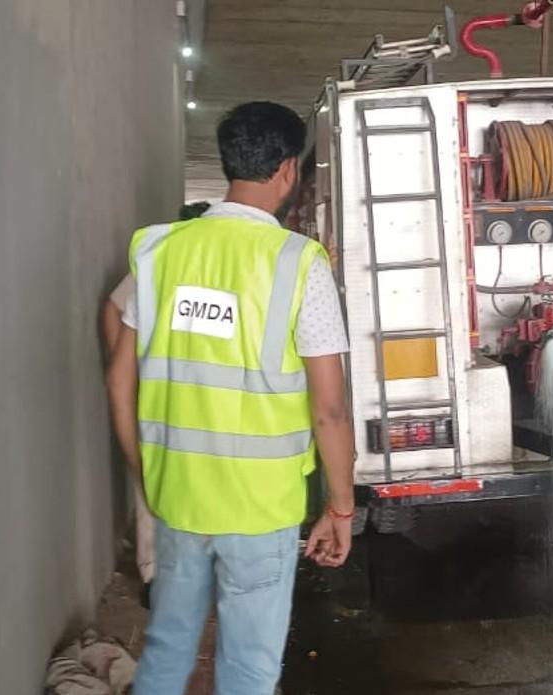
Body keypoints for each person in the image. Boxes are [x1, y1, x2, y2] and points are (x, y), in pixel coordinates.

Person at [106, 101, 355, 695]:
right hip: (257, 506)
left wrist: (149, 471)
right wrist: (340, 507)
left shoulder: (160, 251)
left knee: (168, 644)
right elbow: (330, 408)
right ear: (288, 170)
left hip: (179, 495)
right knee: (247, 666)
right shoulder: (299, 264)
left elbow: (120, 378)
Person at [101, 201, 212, 608]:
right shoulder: (158, 265)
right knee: (151, 478)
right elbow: (112, 309)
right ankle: (155, 575)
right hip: (158, 389)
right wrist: (124, 365)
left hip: (193, 391)